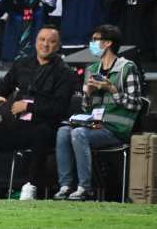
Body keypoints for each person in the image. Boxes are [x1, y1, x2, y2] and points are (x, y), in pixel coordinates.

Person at [0, 25, 77, 200]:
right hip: (18, 123)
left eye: (51, 42)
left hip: (45, 126)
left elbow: (59, 108)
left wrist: (28, 107)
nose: (45, 45)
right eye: (42, 40)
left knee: (41, 132)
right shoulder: (22, 64)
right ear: (35, 42)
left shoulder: (65, 72)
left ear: (58, 46)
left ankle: (31, 185)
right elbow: (6, 85)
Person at [54, 25, 143, 201]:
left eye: (95, 39)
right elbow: (87, 109)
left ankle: (84, 188)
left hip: (116, 128)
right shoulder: (92, 69)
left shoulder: (127, 68)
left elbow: (136, 104)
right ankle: (65, 186)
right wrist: (87, 94)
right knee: (63, 131)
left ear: (108, 43)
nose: (92, 43)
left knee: (79, 134)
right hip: (94, 124)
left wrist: (112, 89)